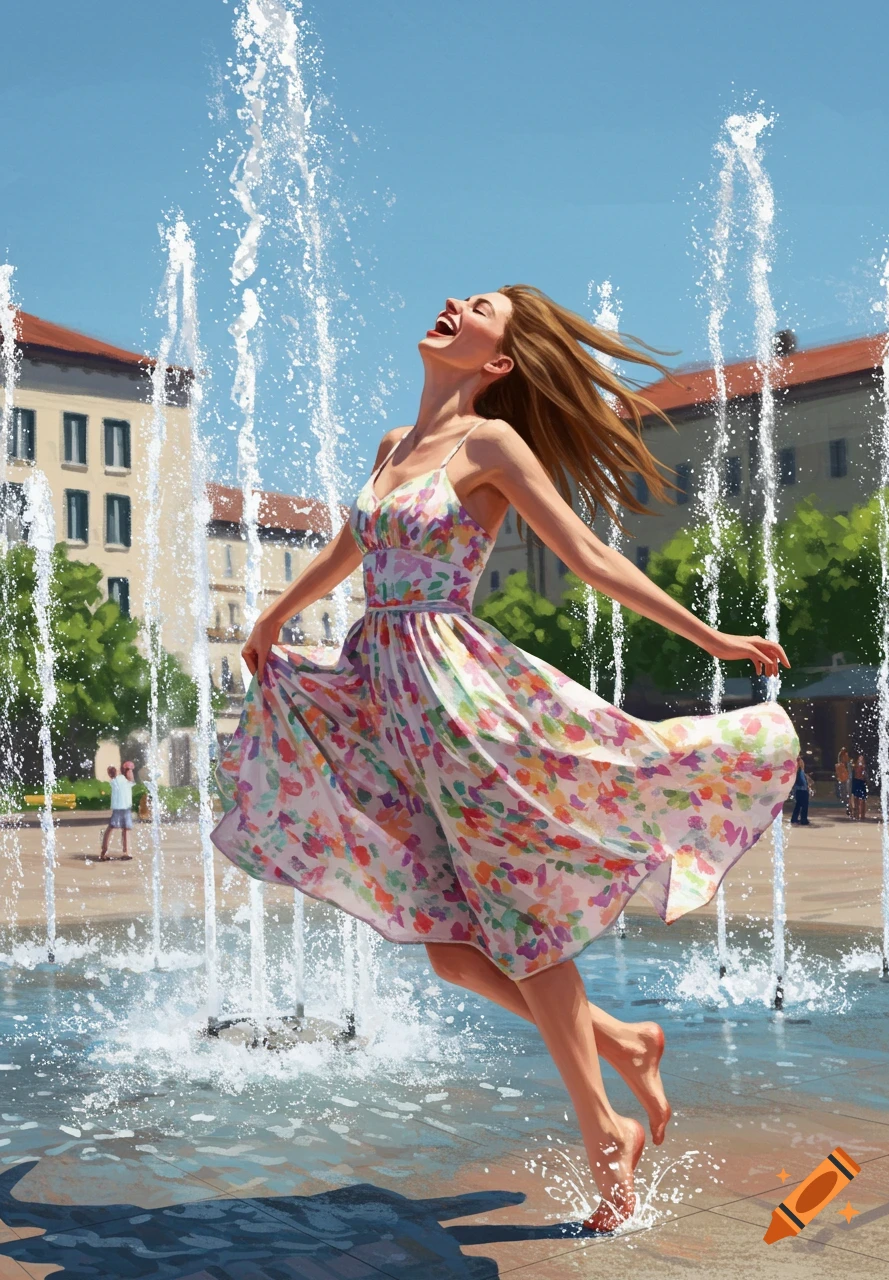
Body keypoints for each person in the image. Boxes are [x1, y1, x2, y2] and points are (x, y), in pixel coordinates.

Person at [210, 285, 798, 1233]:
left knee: (525, 926)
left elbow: (591, 558)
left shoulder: (490, 445)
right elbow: (348, 551)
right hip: (387, 701)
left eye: (478, 306)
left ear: (498, 363)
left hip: (459, 703)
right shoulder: (391, 450)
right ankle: (624, 1044)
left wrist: (713, 638)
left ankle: (605, 1133)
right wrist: (274, 618)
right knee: (450, 949)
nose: (452, 301)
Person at [100, 761, 135, 860]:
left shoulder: (122, 781)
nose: (130, 772)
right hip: (119, 808)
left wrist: (127, 769)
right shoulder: (117, 780)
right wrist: (125, 769)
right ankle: (104, 851)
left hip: (125, 808)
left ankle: (126, 852)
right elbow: (115, 774)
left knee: (125, 829)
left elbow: (130, 779)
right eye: (128, 770)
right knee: (114, 828)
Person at [790, 755, 811, 825]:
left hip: (798, 790)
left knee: (798, 805)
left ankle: (794, 819)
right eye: (801, 763)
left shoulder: (797, 771)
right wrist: (807, 786)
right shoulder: (799, 771)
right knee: (804, 805)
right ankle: (803, 820)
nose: (802, 764)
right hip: (802, 790)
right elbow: (802, 781)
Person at [835, 747, 853, 819]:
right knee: (845, 796)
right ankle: (849, 808)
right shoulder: (840, 765)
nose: (846, 757)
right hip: (844, 781)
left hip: (848, 781)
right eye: (845, 756)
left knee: (849, 795)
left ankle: (850, 809)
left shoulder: (848, 764)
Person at [852, 752, 868, 821]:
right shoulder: (855, 766)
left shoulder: (864, 767)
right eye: (860, 759)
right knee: (856, 799)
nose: (861, 760)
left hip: (861, 782)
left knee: (862, 800)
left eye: (862, 759)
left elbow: (865, 776)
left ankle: (862, 815)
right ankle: (856, 814)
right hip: (856, 782)